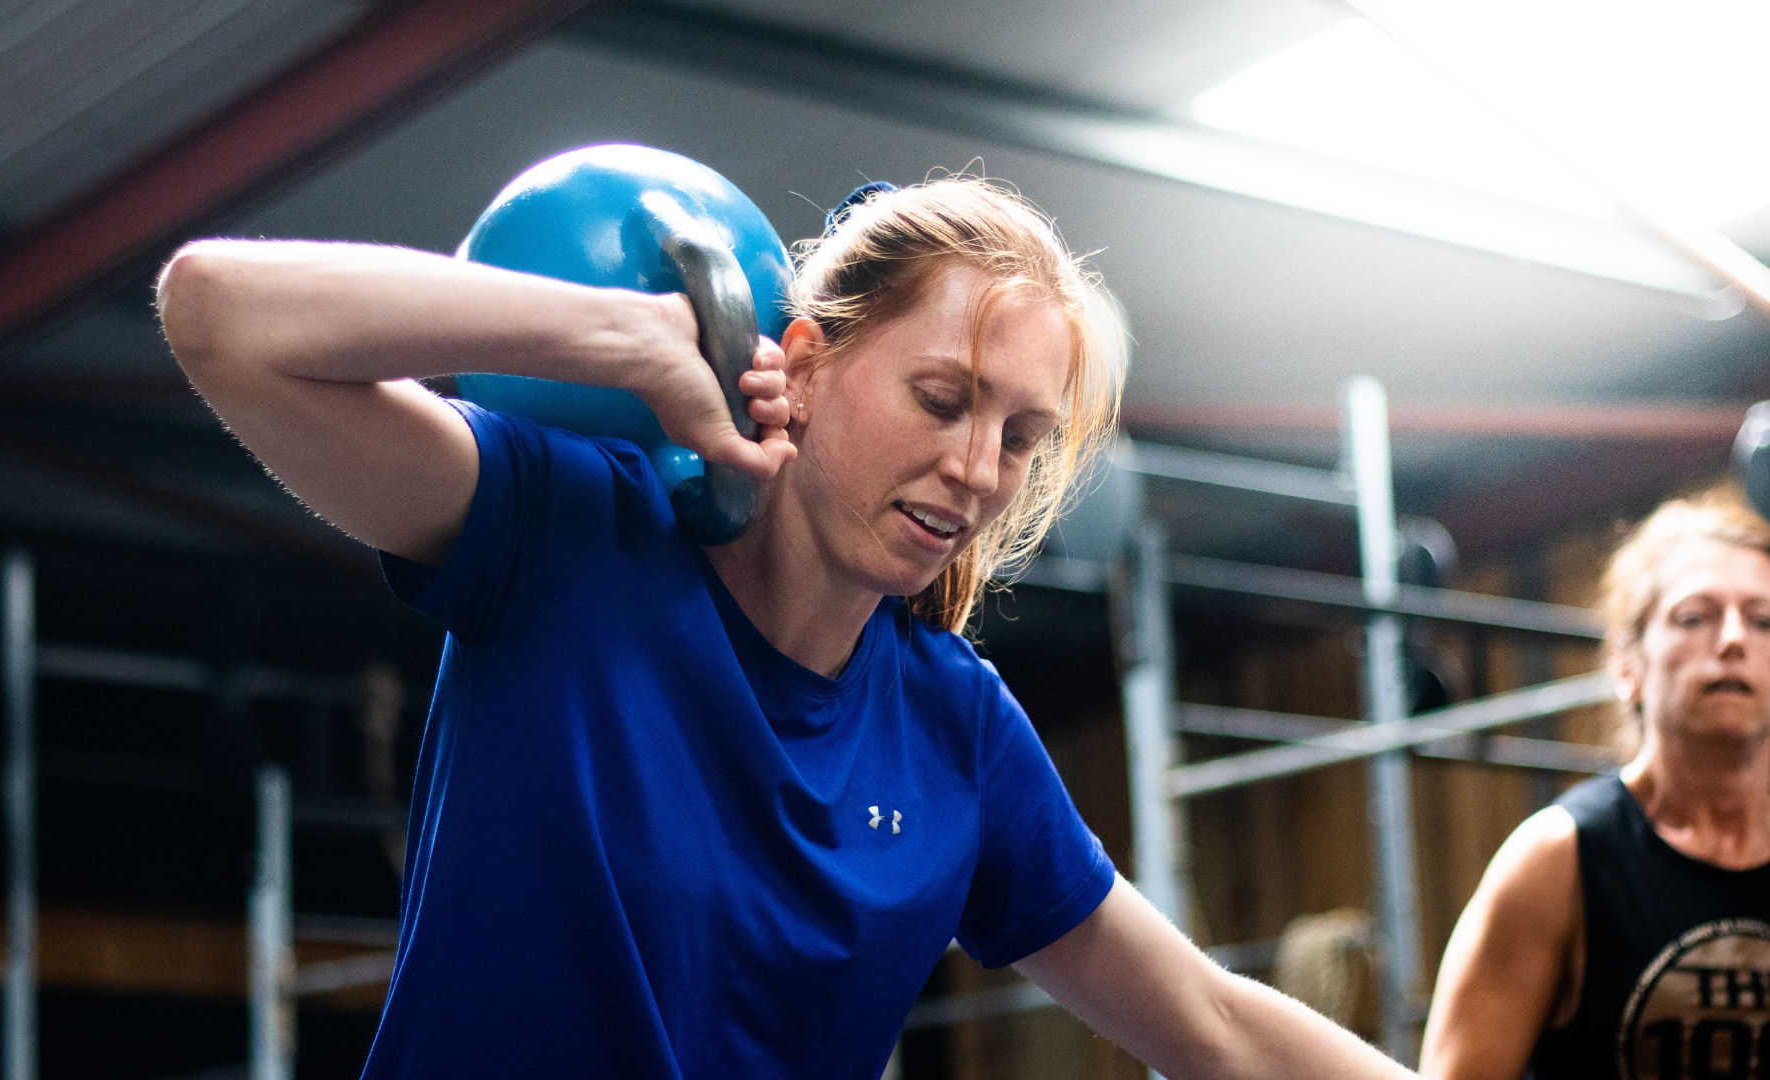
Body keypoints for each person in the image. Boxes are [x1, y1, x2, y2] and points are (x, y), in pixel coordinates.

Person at [158, 174, 1411, 1080]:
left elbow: (1211, 1024)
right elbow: (216, 312)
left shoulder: (956, 729)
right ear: (801, 367)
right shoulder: (570, 537)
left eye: (1021, 437)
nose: (978, 468)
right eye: (942, 399)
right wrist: (623, 338)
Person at [1421, 489, 1770, 1080]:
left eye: (1763, 620)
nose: (1734, 639)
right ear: (1626, 663)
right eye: (1695, 617)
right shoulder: (1558, 860)